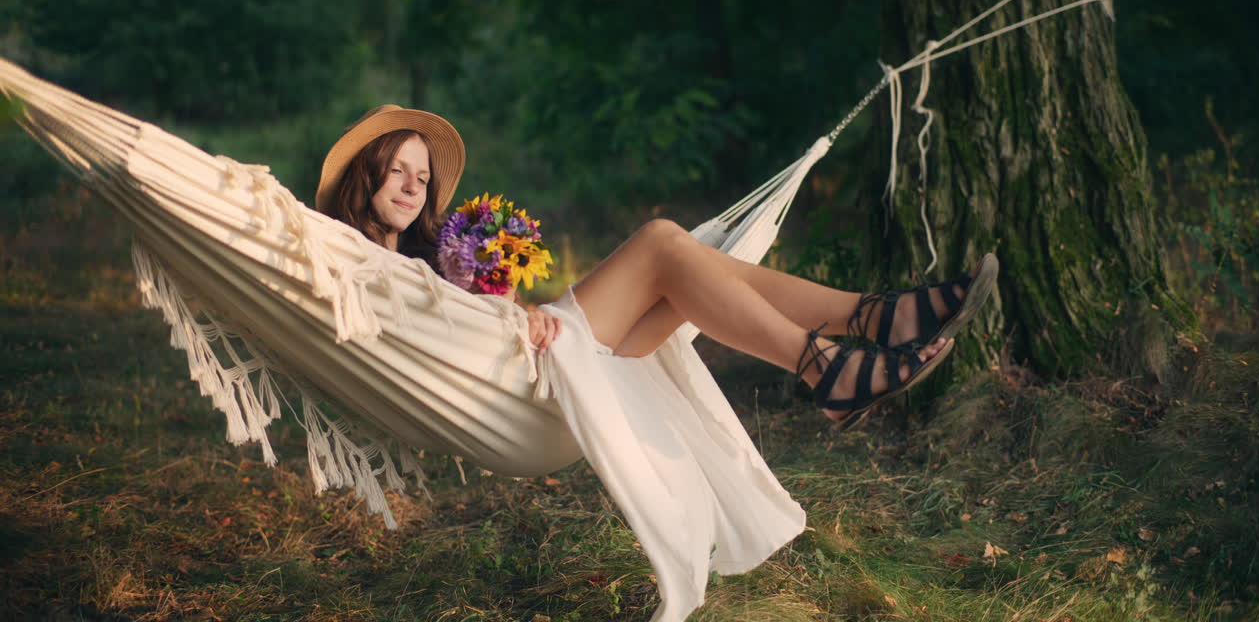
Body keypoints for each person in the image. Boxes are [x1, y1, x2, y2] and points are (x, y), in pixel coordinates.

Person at [315, 105, 997, 428]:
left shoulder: (426, 257)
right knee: (665, 243)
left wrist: (508, 309)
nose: (412, 185)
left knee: (700, 266)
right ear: (364, 179)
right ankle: (828, 365)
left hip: (540, 359)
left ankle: (878, 318)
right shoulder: (352, 260)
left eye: (421, 174)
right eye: (395, 172)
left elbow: (459, 321)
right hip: (526, 383)